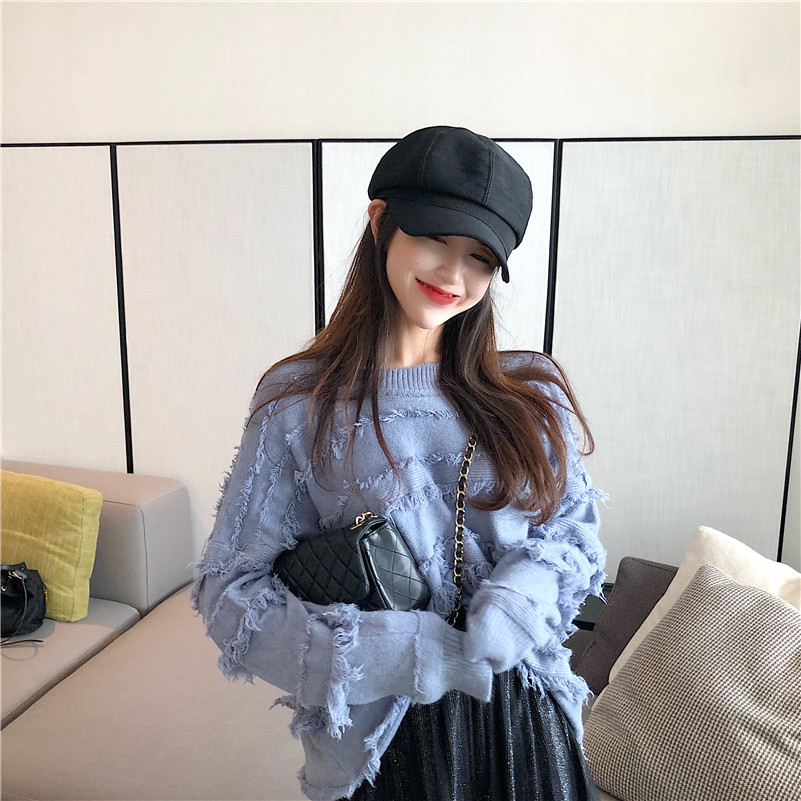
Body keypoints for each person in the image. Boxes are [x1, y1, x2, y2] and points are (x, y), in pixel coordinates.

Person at [191, 125, 607, 801]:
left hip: (524, 719)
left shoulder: (531, 392)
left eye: (480, 258)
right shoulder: (299, 404)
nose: (453, 275)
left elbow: (575, 535)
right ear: (381, 220)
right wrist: (409, 650)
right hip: (380, 742)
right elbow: (228, 593)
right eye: (436, 238)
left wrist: (517, 599)